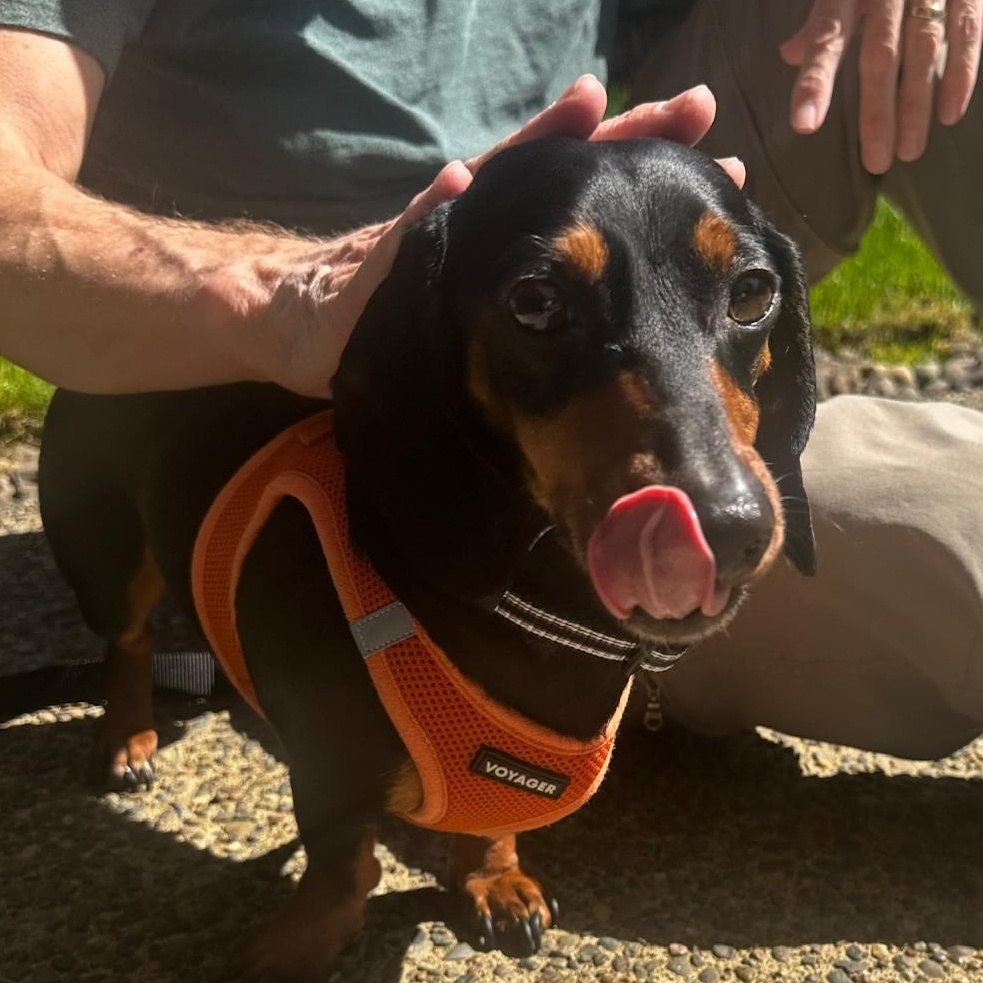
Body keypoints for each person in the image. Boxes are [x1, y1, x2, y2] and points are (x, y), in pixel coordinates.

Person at [0, 0, 981, 762]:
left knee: (931, 24)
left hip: (605, 267)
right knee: (945, 526)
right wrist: (276, 294)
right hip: (342, 365)